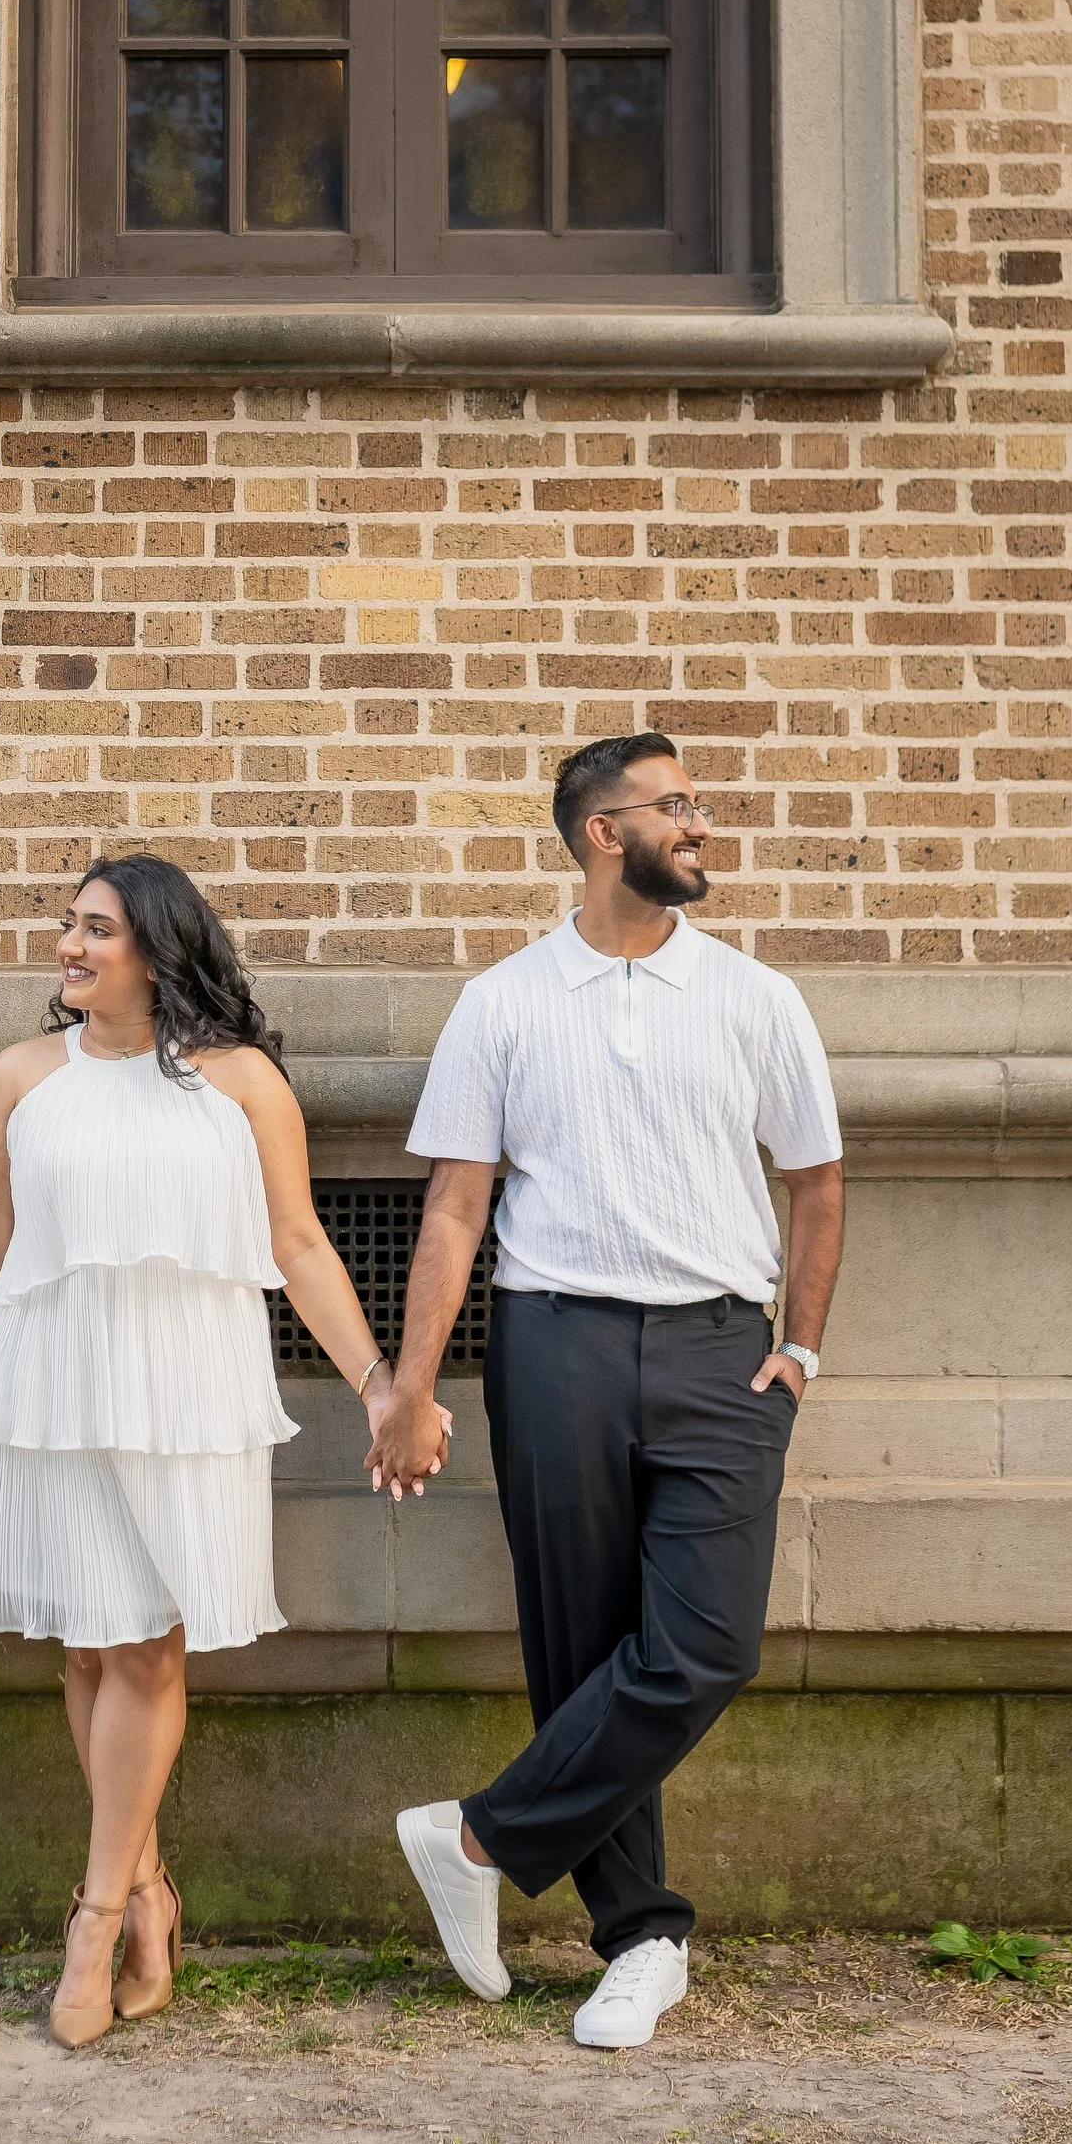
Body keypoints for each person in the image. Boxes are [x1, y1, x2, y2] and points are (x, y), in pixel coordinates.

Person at [0, 853, 444, 2048]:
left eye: (97, 931)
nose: (69, 948)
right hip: (55, 1387)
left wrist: (384, 1386)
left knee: (143, 1647)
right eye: (67, 926)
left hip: (188, 1396)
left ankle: (93, 1916)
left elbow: (298, 1245)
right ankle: (150, 1894)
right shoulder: (21, 1080)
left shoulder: (239, 1083)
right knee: (88, 1652)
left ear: (159, 950)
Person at [367, 732, 845, 2051]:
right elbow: (457, 1206)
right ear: (600, 833)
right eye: (673, 805)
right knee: (581, 1650)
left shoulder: (755, 998)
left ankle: (474, 1834)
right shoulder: (506, 1000)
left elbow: (816, 1177)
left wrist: (796, 1351)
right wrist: (409, 1388)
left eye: (692, 801)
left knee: (704, 1645)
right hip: (552, 1340)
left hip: (718, 1350)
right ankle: (640, 1939)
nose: (699, 823)